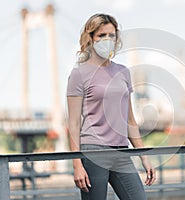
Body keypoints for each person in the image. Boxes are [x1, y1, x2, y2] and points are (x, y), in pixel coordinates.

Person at [66, 13, 156, 200]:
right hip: (93, 152)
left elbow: (130, 120)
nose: (107, 40)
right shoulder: (79, 74)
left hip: (121, 152)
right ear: (90, 38)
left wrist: (144, 157)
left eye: (111, 35)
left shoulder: (122, 72)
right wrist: (77, 165)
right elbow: (73, 123)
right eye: (101, 35)